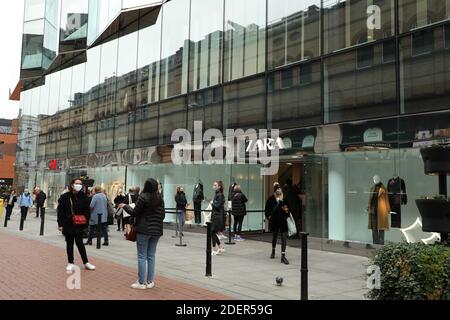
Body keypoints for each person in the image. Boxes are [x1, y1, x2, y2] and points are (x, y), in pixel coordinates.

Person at [118, 178, 165, 289]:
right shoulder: (160, 198)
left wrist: (125, 206)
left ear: (146, 186)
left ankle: (140, 282)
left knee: (142, 256)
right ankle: (149, 282)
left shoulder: (143, 197)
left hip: (144, 230)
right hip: (157, 230)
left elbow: (134, 212)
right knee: (151, 256)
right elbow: (162, 216)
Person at [57, 179, 96, 272]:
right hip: (68, 224)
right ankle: (70, 262)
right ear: (72, 185)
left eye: (80, 184)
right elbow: (60, 212)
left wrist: (86, 223)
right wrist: (60, 224)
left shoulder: (84, 197)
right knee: (69, 243)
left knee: (80, 243)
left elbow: (87, 211)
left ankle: (86, 262)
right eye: (77, 183)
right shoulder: (65, 197)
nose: (78, 185)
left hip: (79, 224)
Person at [265, 185, 290, 265]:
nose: (279, 190)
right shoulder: (271, 199)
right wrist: (269, 217)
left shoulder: (284, 199)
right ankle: (273, 250)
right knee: (275, 236)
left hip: (283, 221)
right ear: (275, 190)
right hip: (274, 221)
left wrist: (286, 212)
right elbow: (267, 210)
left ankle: (283, 256)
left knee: (284, 237)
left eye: (280, 189)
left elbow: (288, 210)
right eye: (278, 189)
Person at [211, 180, 226, 255]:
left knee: (212, 232)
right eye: (213, 185)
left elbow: (217, 206)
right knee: (213, 232)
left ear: (219, 187)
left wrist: (212, 203)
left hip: (217, 217)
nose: (213, 186)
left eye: (215, 185)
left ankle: (215, 249)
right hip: (216, 216)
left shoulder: (220, 195)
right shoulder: (218, 194)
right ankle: (219, 247)